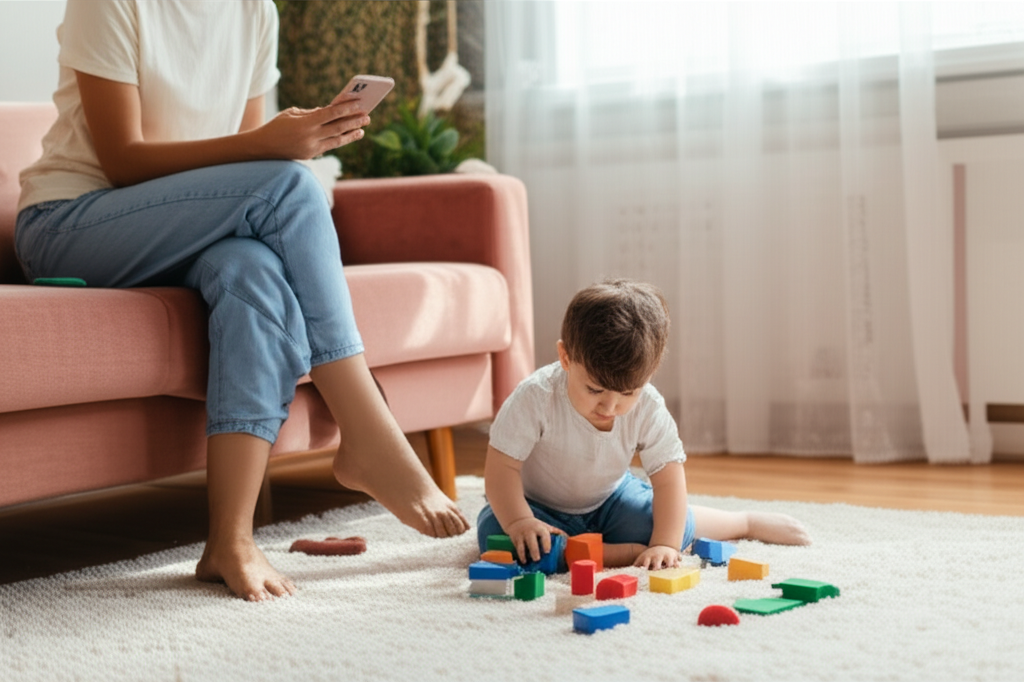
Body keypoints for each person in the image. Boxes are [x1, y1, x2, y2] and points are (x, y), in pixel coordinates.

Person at [15, 0, 468, 602]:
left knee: (249, 269)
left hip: (186, 225)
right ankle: (367, 431)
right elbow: (123, 159)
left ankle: (229, 538)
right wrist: (269, 148)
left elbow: (253, 154)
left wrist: (284, 142)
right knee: (289, 186)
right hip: (71, 223)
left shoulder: (254, 10)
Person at [477, 279, 811, 570]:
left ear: (648, 377)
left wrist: (665, 544)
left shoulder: (648, 406)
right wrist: (521, 520)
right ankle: (617, 553)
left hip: (609, 501)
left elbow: (668, 479)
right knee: (496, 536)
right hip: (538, 507)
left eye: (627, 393)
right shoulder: (536, 396)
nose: (609, 406)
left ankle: (743, 521)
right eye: (594, 389)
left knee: (670, 524)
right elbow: (501, 468)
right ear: (566, 358)